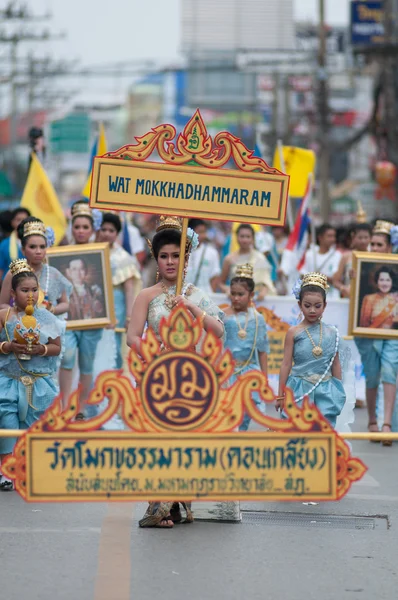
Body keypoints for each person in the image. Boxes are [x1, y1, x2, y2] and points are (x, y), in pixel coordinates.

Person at [127, 215, 224, 528]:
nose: (170, 262)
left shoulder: (196, 295)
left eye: (176, 256)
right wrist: (152, 356)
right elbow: (132, 336)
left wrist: (192, 308)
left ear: (186, 258)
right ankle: (159, 509)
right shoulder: (147, 295)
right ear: (156, 259)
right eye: (164, 256)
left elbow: (218, 330)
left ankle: (180, 503)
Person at [0, 259, 62, 491]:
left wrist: (41, 349)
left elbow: (56, 347)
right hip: (9, 380)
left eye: (34, 290)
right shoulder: (5, 316)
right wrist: (7, 347)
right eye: (24, 290)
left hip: (39, 382)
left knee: (33, 425)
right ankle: (6, 470)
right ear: (13, 292)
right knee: (7, 420)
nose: (30, 295)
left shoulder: (47, 317)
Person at [277, 272, 346, 428]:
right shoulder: (293, 332)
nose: (312, 310)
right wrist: (281, 395)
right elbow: (286, 364)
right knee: (297, 431)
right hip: (298, 388)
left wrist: (338, 390)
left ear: (325, 305)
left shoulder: (332, 332)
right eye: (307, 306)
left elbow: (335, 364)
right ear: (300, 304)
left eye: (317, 306)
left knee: (323, 430)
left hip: (326, 389)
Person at [354, 220, 398, 444]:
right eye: (372, 244)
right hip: (369, 336)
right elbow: (361, 319)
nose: (374, 248)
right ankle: (372, 419)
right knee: (372, 375)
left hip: (393, 337)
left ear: (389, 247)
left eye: (380, 244)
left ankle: (387, 424)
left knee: (390, 372)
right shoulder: (362, 270)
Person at [59, 200, 103, 418]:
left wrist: (107, 311)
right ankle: (65, 405)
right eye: (77, 226)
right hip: (67, 321)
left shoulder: (101, 254)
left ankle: (82, 408)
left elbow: (104, 292)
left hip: (93, 322)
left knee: (86, 364)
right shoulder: (60, 254)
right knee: (66, 359)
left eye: (86, 227)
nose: (81, 231)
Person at [223, 263, 269, 431]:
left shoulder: (258, 319)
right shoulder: (223, 316)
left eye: (240, 294)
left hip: (250, 371)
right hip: (229, 372)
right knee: (229, 414)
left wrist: (264, 379)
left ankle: (239, 444)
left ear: (251, 294)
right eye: (233, 294)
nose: (236, 298)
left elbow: (262, 351)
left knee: (245, 415)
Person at [0, 217, 71, 318]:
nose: (38, 251)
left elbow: (65, 304)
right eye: (32, 247)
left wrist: (51, 310)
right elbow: (2, 304)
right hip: (20, 328)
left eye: (42, 247)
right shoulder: (14, 272)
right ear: (23, 249)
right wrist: (18, 313)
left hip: (48, 327)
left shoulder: (53, 273)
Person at [99, 212, 141, 369]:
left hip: (117, 305)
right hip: (95, 305)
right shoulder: (91, 252)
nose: (107, 234)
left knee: (114, 345)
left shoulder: (124, 257)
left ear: (117, 233)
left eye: (111, 230)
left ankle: (113, 383)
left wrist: (130, 317)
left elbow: (129, 289)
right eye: (104, 229)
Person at [219, 223, 276, 300]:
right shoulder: (229, 259)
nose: (245, 240)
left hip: (257, 300)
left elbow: (267, 281)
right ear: (237, 237)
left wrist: (264, 291)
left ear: (253, 239)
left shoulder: (260, 257)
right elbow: (220, 283)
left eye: (248, 237)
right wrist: (227, 289)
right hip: (236, 299)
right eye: (242, 236)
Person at [301, 224, 342, 299]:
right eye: (329, 236)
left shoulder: (337, 255)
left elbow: (335, 279)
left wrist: (316, 276)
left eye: (334, 236)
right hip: (311, 296)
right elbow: (303, 275)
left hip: (331, 296)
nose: (333, 239)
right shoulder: (310, 254)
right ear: (320, 238)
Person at [332, 223, 372, 298]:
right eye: (360, 238)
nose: (363, 241)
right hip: (349, 297)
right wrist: (343, 288)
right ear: (353, 237)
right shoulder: (346, 256)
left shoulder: (373, 256)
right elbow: (335, 281)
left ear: (370, 238)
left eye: (366, 237)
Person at [185, 218, 221, 294]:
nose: (203, 235)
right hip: (184, 295)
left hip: (205, 296)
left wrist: (210, 296)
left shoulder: (212, 252)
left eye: (204, 232)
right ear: (190, 233)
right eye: (199, 232)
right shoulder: (181, 251)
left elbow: (215, 276)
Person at [0, 207, 31, 281]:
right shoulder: (4, 244)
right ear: (12, 222)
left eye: (25, 220)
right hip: (11, 285)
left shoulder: (38, 243)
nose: (22, 223)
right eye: (18, 220)